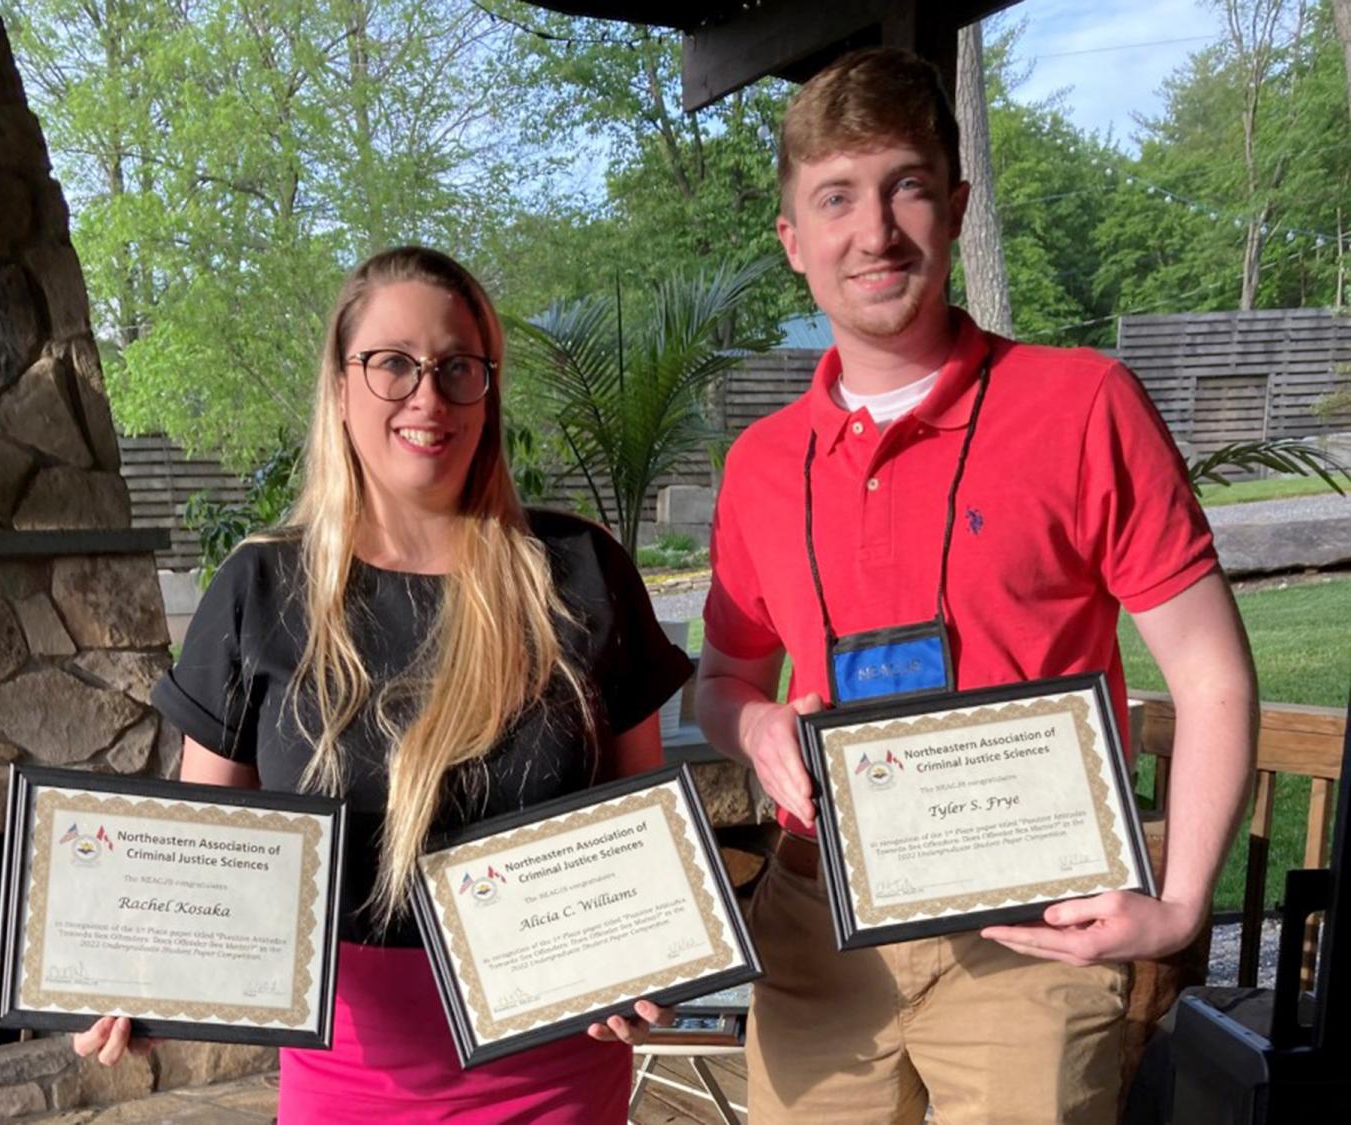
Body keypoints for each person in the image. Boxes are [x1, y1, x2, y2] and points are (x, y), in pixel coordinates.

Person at [695, 48, 1257, 1125]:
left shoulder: (1083, 403)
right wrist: (758, 724)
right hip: (821, 931)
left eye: (906, 187)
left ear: (953, 210)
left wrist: (1180, 904)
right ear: (793, 241)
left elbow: (1213, 675)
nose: (875, 232)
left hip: (1032, 930)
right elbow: (720, 678)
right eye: (836, 199)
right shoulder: (759, 463)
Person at [73, 245, 693, 1122]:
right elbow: (204, 858)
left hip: (554, 1079)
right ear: (338, 385)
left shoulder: (581, 572)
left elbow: (642, 829)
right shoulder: (259, 589)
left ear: (490, 387)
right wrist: (144, 971)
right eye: (392, 363)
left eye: (456, 367)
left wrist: (658, 950)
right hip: (347, 1085)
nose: (428, 396)